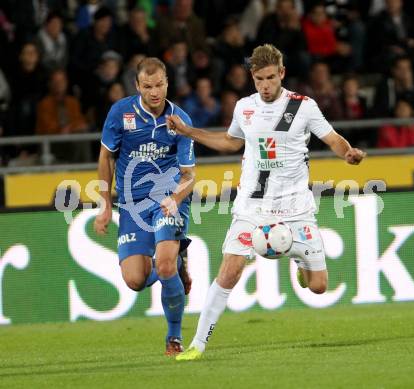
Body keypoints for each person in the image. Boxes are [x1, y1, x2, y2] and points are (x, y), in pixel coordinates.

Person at [166, 44, 365, 361]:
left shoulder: (303, 106)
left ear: (282, 73)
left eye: (271, 77)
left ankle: (299, 258)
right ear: (252, 78)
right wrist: (188, 131)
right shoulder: (245, 107)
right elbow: (230, 142)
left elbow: (333, 139)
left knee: (318, 286)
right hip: (252, 207)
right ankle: (198, 345)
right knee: (230, 271)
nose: (266, 85)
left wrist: (348, 153)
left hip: (297, 208)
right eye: (259, 79)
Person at [93, 57, 196, 356]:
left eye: (159, 85)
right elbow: (105, 158)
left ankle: (174, 339)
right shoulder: (120, 113)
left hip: (167, 201)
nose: (154, 92)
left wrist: (175, 198)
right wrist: (106, 205)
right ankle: (179, 263)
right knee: (135, 280)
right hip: (131, 204)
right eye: (147, 86)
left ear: (167, 83)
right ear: (137, 86)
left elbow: (189, 176)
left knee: (162, 266)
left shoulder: (180, 120)